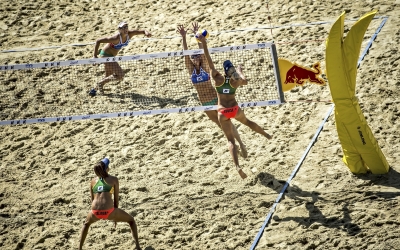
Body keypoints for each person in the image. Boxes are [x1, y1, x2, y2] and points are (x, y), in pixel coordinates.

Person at [197, 34, 273, 179]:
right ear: (231, 70)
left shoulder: (217, 78)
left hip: (223, 112)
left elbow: (208, 59)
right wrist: (239, 71)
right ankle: (266, 134)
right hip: (235, 110)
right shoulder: (236, 82)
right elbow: (246, 81)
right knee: (249, 122)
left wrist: (204, 43)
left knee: (230, 140)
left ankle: (237, 166)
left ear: (224, 70)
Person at [176, 23, 248, 158]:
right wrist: (184, 38)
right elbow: (185, 54)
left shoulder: (205, 67)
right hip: (205, 103)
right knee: (221, 126)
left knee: (227, 122)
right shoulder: (191, 69)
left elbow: (202, 50)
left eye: (197, 56)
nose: (196, 57)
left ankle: (241, 143)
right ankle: (235, 144)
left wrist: (197, 35)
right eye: (194, 57)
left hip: (216, 99)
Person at [78, 158, 141, 250]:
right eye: (108, 166)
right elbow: (116, 200)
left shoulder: (92, 181)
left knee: (86, 224)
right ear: (106, 168)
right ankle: (138, 247)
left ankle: (79, 248)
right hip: (110, 211)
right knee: (131, 220)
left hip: (94, 212)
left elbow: (92, 200)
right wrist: (115, 217)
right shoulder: (114, 179)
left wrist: (97, 213)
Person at [89, 22, 152, 96]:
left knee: (108, 75)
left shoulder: (130, 33)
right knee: (120, 75)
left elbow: (143, 31)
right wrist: (95, 56)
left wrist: (147, 33)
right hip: (106, 56)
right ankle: (100, 83)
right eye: (123, 28)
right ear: (119, 30)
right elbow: (98, 41)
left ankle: (94, 90)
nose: (125, 29)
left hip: (112, 56)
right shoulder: (115, 38)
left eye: (126, 27)